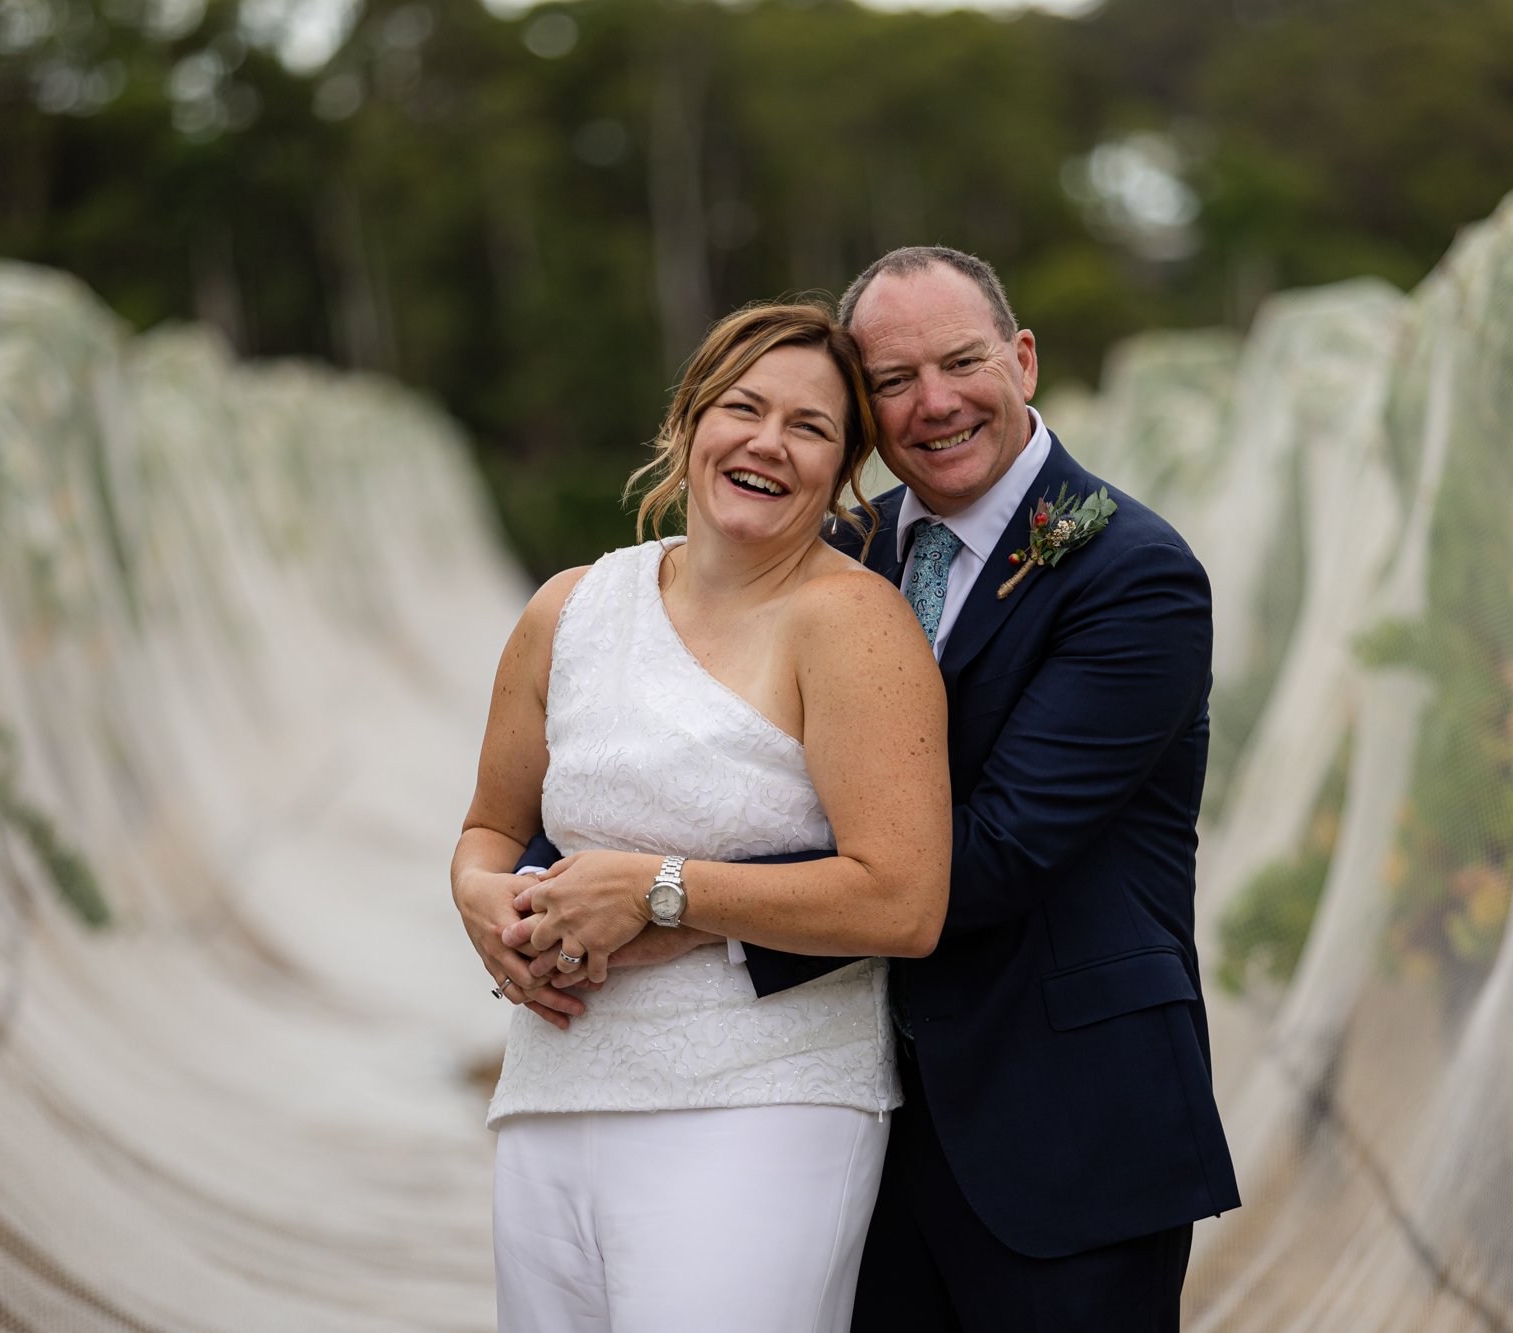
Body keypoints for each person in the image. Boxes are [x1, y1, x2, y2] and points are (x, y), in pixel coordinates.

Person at [509, 246, 1240, 1330]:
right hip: (859, 1121)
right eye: (892, 381)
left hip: (1061, 1121)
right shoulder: (835, 548)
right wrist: (542, 893)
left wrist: (670, 904)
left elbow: (992, 849)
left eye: (959, 362)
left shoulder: (1131, 573)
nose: (932, 403)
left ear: (1021, 359)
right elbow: (690, 748)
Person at [449, 300, 951, 1332]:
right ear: (688, 421)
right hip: (554, 1090)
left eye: (809, 428)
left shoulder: (852, 621)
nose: (767, 442)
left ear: (843, 466)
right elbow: (488, 832)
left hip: (760, 1107)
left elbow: (902, 898)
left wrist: (651, 887)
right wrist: (481, 904)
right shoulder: (568, 609)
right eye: (743, 407)